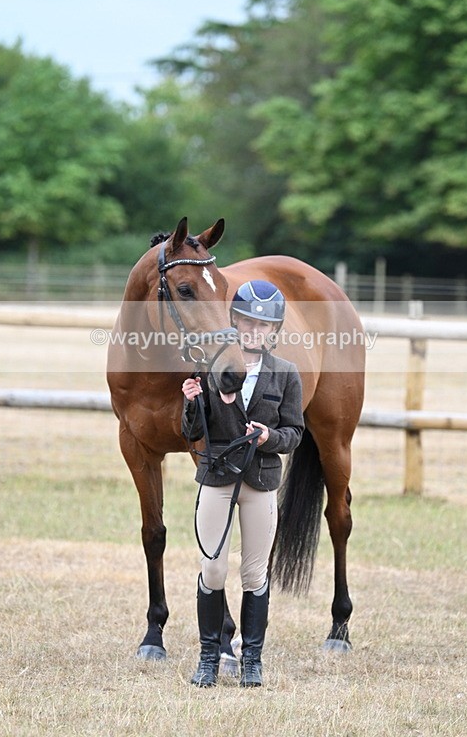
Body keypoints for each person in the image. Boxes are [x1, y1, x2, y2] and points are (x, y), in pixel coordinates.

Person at [181, 280, 304, 688]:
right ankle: (209, 657)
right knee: (213, 569)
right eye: (247, 321)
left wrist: (270, 437)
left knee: (254, 574)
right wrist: (191, 401)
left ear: (274, 331)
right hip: (217, 477)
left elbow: (295, 434)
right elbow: (193, 431)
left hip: (261, 482)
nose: (254, 330)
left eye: (263, 325)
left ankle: (253, 660)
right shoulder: (213, 366)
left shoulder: (285, 374)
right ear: (233, 321)